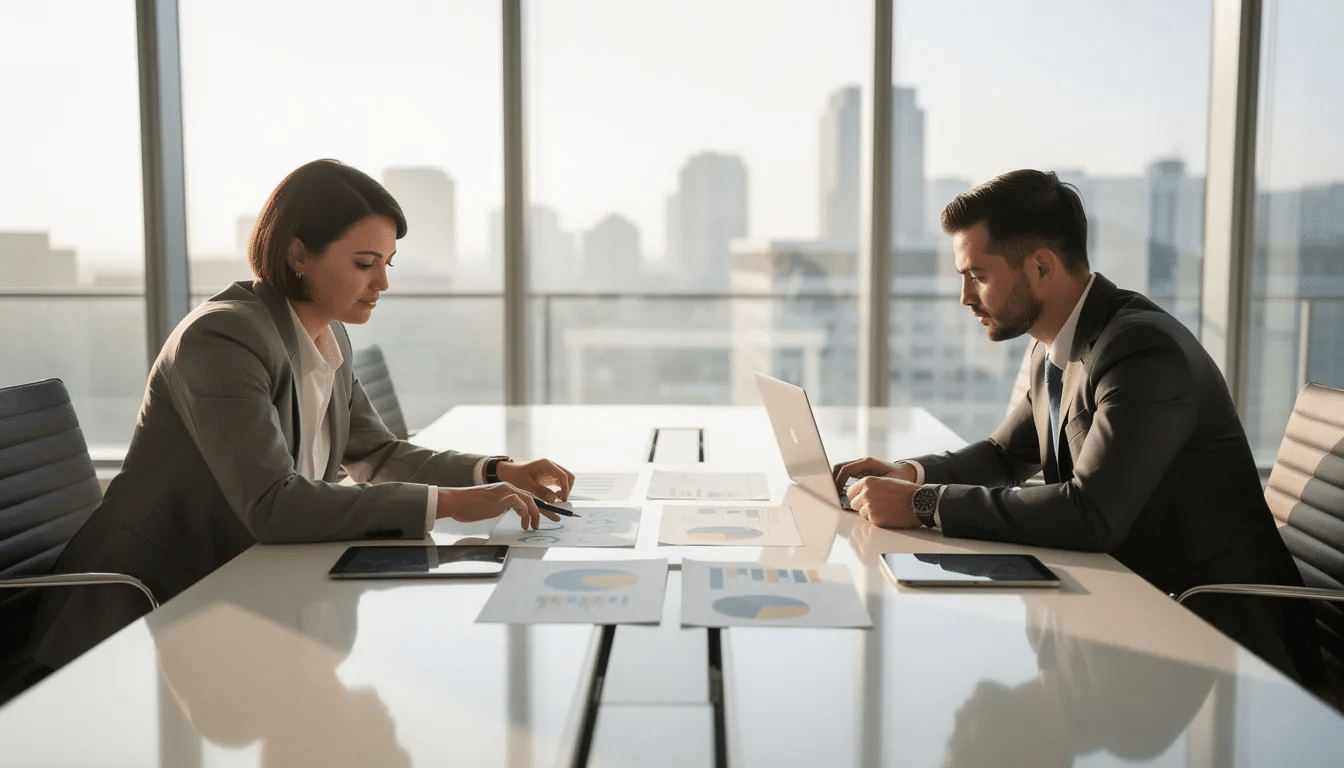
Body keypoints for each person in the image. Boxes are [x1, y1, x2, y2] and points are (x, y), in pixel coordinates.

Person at [33, 159, 573, 669]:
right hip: (142, 610)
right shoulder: (222, 337)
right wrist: (452, 505)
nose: (382, 284)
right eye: (364, 264)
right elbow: (273, 505)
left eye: (386, 264)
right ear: (297, 256)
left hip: (239, 589)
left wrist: (496, 473)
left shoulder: (326, 331)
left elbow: (376, 453)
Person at [834, 169, 1322, 685]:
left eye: (977, 275)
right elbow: (1005, 454)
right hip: (1130, 605)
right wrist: (909, 474)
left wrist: (923, 505)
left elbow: (1092, 514)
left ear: (1041, 267)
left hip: (1214, 638)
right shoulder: (1053, 342)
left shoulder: (1141, 351)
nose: (964, 297)